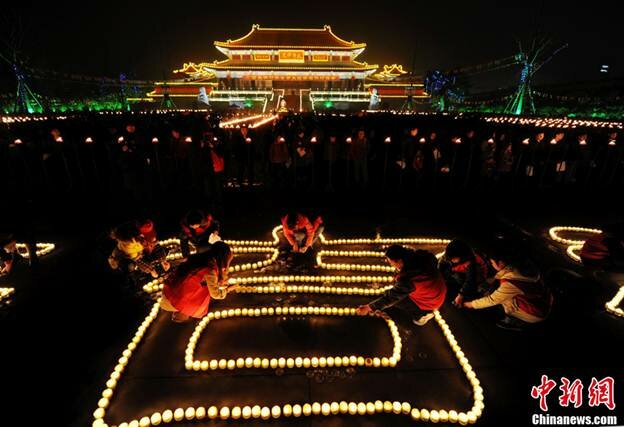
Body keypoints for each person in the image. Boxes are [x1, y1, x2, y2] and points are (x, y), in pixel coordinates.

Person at [462, 244, 553, 331]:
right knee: (498, 288)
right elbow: (501, 275)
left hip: (535, 313)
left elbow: (492, 300)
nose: (492, 265)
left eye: (492, 262)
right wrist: (487, 282)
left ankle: (515, 320)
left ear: (501, 263)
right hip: (544, 302)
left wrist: (470, 304)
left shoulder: (512, 283)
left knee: (503, 298)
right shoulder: (523, 267)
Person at [356, 246, 447, 326]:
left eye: (390, 262)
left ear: (399, 260)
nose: (390, 264)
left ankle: (423, 315)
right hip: (438, 289)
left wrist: (368, 307)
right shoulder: (420, 256)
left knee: (396, 300)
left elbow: (391, 298)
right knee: (394, 292)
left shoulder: (408, 279)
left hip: (431, 301)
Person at [160, 241, 235, 322]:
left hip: (170, 293)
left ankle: (180, 309)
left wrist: (218, 282)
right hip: (178, 301)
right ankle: (183, 310)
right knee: (201, 303)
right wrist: (228, 289)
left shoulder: (200, 258)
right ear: (223, 259)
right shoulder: (211, 269)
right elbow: (216, 294)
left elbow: (198, 279)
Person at [441, 239, 489, 307]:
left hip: (478, 276)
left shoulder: (472, 262)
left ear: (462, 255)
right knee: (449, 274)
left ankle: (475, 291)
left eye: (454, 258)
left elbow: (470, 280)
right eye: (451, 258)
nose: (452, 260)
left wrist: (460, 295)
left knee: (462, 281)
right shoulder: (449, 255)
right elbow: (442, 265)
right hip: (461, 271)